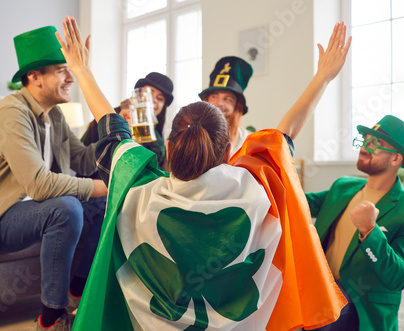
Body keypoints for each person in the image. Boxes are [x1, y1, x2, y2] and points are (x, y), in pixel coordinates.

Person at [57, 17, 351, 330]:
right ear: (228, 153)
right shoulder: (255, 188)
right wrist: (323, 77)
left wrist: (81, 69)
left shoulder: (137, 191)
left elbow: (112, 128)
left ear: (168, 150)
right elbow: (284, 135)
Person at [0, 25, 108, 331]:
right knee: (67, 207)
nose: (71, 78)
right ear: (35, 77)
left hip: (31, 208)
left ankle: (78, 291)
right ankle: (50, 320)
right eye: (62, 70)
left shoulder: (53, 114)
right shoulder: (11, 112)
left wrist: (114, 135)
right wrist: (101, 185)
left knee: (105, 203)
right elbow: (39, 185)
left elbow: (81, 157)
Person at [305, 115, 404, 331]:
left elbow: (397, 277)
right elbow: (300, 202)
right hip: (320, 286)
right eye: (364, 141)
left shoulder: (402, 209)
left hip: (362, 305)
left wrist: (370, 232)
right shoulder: (343, 186)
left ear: (396, 159)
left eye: (375, 144)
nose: (364, 148)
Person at [80, 72, 174, 169]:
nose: (153, 100)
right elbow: (81, 158)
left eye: (160, 99)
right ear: (136, 94)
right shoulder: (108, 118)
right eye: (149, 94)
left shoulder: (157, 138)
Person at [199, 56, 253, 155]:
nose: (219, 103)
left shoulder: (248, 141)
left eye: (228, 99)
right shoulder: (193, 135)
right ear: (206, 100)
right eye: (214, 96)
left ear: (237, 106)